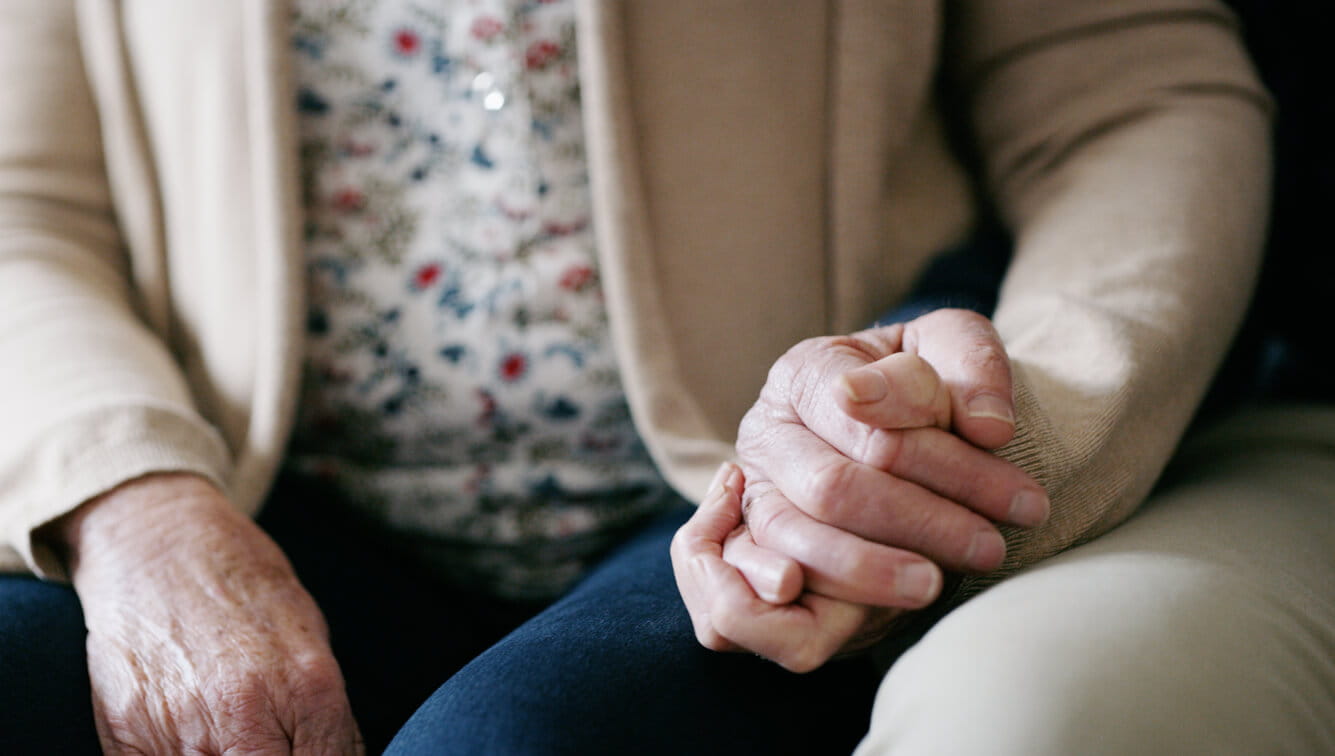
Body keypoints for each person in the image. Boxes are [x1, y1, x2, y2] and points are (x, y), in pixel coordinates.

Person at [0, 1, 1307, 754]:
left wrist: (990, 440)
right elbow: (23, 202)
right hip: (255, 492)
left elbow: (1125, 98)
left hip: (750, 497)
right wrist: (137, 510)